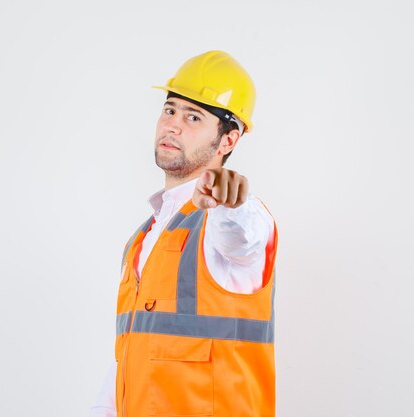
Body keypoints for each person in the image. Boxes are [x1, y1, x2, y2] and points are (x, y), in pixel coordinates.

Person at [89, 50, 279, 417]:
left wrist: (228, 201)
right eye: (170, 110)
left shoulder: (236, 217)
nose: (173, 125)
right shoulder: (144, 237)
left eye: (194, 117)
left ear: (228, 141)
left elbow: (243, 237)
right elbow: (129, 354)